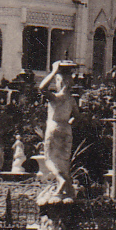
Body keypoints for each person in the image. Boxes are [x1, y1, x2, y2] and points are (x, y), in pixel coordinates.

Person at [38, 60, 79, 201]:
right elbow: (77, 118)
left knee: (50, 159)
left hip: (54, 127)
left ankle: (61, 181)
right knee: (64, 160)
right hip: (67, 129)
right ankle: (67, 188)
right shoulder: (72, 100)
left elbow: (42, 88)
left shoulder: (56, 98)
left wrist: (54, 71)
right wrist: (68, 122)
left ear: (59, 82)